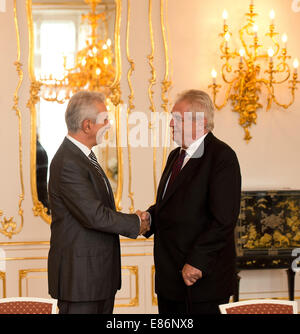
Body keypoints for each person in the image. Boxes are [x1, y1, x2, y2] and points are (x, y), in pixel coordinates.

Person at [47, 91, 149, 314]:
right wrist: (136, 223)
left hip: (95, 277)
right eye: (105, 120)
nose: (109, 125)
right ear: (87, 125)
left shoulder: (82, 157)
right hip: (81, 281)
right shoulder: (68, 162)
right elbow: (95, 215)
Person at [142, 89, 241, 314]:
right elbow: (173, 205)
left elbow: (223, 219)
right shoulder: (175, 156)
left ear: (200, 122)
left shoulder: (222, 157)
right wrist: (148, 217)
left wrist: (197, 262)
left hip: (202, 281)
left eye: (177, 119)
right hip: (170, 280)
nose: (170, 124)